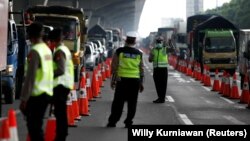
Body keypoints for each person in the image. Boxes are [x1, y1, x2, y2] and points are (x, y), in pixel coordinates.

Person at [19, 22, 53, 141]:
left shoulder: (35, 51)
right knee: (37, 127)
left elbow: (31, 76)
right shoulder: (47, 50)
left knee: (34, 128)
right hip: (47, 93)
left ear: (30, 35)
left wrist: (24, 98)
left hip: (36, 95)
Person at [107, 31, 144, 128]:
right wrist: (141, 83)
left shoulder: (119, 51)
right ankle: (128, 122)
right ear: (135, 41)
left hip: (122, 80)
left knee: (118, 102)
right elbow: (141, 69)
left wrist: (113, 80)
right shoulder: (139, 53)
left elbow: (114, 67)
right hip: (135, 81)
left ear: (126, 40)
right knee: (132, 103)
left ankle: (113, 122)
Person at [48, 28, 74, 141]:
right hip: (64, 84)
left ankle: (61, 135)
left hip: (60, 85)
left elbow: (61, 69)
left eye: (50, 41)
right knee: (61, 112)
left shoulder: (59, 51)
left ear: (54, 40)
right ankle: (62, 134)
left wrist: (48, 74)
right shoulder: (65, 49)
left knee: (60, 113)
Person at [148, 36, 168, 103]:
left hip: (163, 69)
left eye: (160, 41)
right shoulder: (153, 49)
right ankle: (160, 97)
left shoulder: (165, 49)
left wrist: (168, 43)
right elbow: (150, 60)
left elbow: (175, 50)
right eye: (158, 41)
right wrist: (151, 54)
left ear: (162, 42)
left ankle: (162, 99)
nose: (159, 43)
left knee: (163, 84)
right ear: (155, 42)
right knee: (157, 84)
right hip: (156, 69)